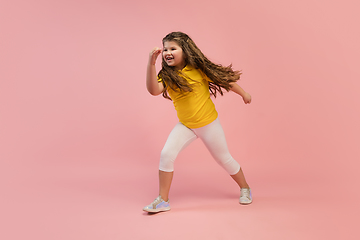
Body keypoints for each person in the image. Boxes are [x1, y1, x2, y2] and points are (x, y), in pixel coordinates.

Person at [143, 32, 252, 213]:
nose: (168, 52)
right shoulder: (167, 75)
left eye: (173, 48)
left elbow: (226, 81)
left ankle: (245, 188)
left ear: (185, 51)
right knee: (166, 154)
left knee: (224, 159)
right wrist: (151, 64)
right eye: (166, 49)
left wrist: (244, 93)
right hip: (186, 125)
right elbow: (154, 90)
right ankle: (163, 200)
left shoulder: (198, 69)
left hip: (209, 124)